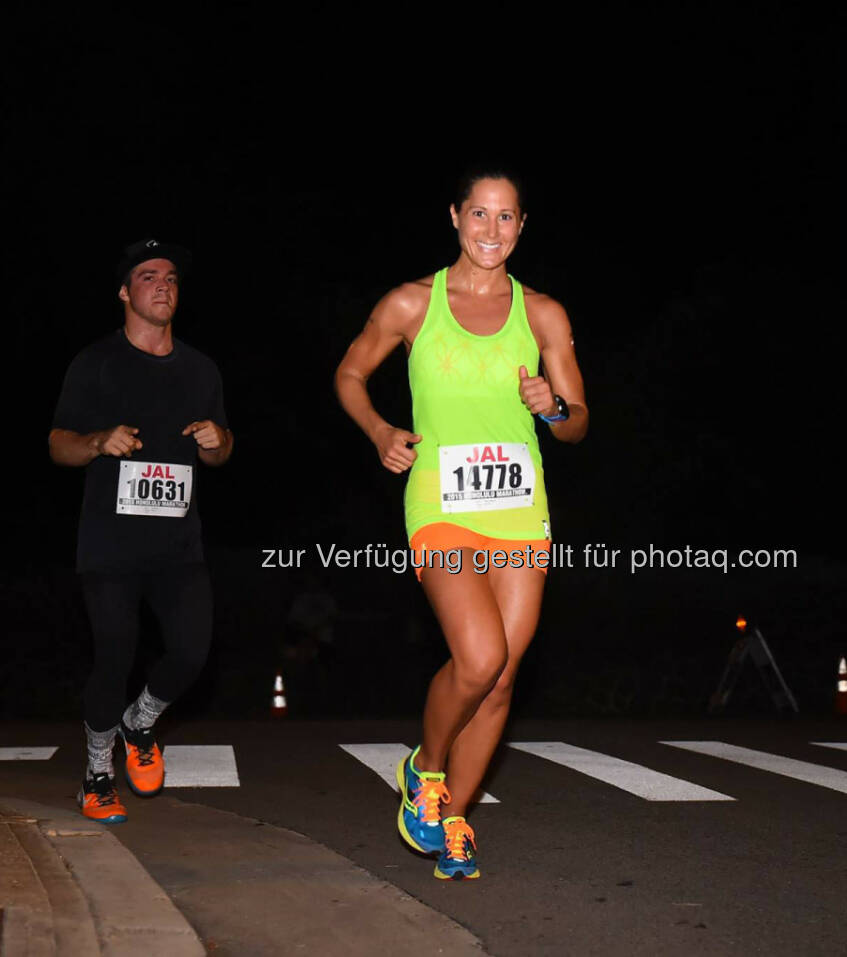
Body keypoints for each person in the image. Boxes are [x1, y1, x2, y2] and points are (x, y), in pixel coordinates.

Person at [335, 169, 587, 880]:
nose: (491, 230)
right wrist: (380, 428)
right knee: (478, 657)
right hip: (442, 502)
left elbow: (577, 423)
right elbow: (350, 373)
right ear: (454, 216)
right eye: (479, 213)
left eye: (506, 218)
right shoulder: (412, 302)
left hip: (518, 509)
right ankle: (426, 765)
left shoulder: (543, 315)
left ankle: (454, 823)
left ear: (522, 226)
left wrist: (554, 409)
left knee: (503, 676)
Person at [49, 238, 234, 823]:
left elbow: (223, 450)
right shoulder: (95, 363)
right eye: (148, 276)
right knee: (114, 657)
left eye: (172, 276)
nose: (163, 285)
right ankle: (97, 773)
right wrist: (98, 441)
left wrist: (218, 444)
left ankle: (139, 722)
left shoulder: (202, 369)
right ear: (125, 291)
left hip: (179, 546)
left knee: (191, 652)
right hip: (109, 546)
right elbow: (58, 445)